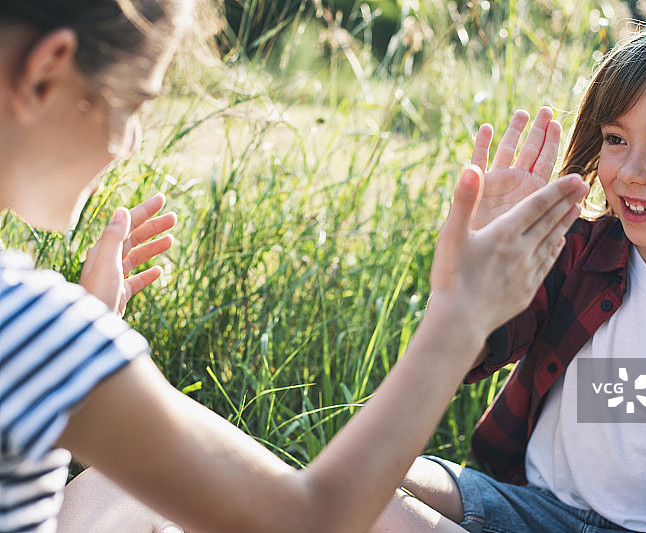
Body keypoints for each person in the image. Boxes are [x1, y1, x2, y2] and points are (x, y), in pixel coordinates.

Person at [0, 1, 590, 533]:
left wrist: (78, 345)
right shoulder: (29, 322)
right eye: (135, 104)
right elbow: (312, 518)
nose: (130, 142)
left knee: (116, 485)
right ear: (46, 69)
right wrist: (461, 314)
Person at [371, 6, 646, 533]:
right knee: (367, 486)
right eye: (616, 139)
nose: (629, 171)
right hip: (539, 510)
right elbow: (466, 356)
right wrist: (478, 265)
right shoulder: (577, 251)